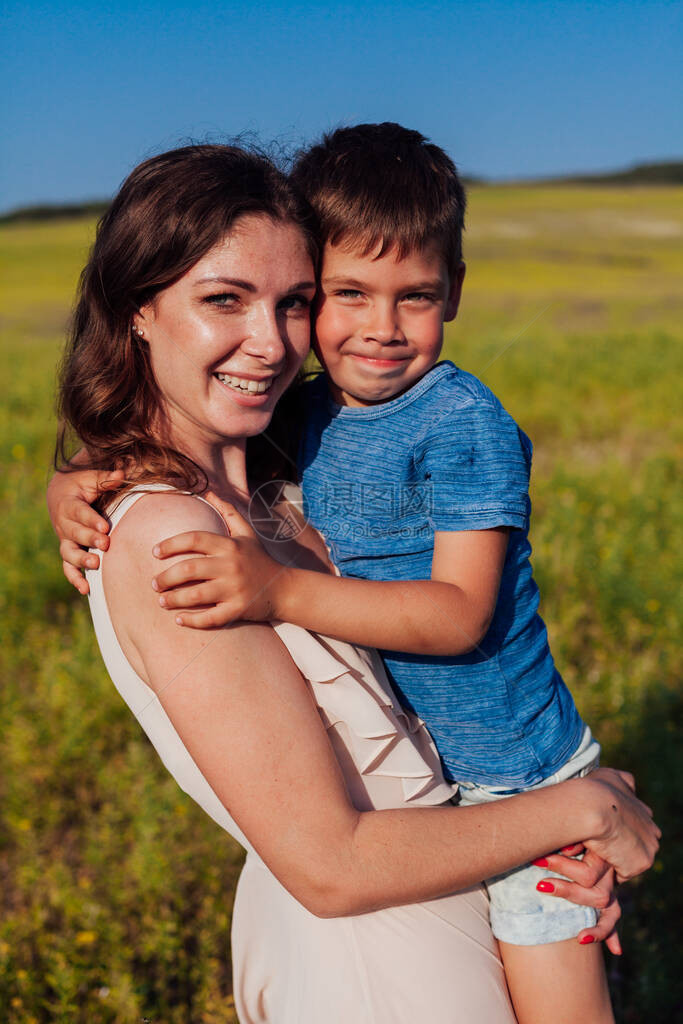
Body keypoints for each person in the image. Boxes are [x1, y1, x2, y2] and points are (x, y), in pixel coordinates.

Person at [49, 142, 659, 1024]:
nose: (271, 344)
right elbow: (330, 863)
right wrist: (576, 809)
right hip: (376, 967)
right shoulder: (172, 537)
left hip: (448, 883)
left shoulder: (278, 474)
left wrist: (556, 818)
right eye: (223, 299)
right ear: (137, 308)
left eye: (293, 302)